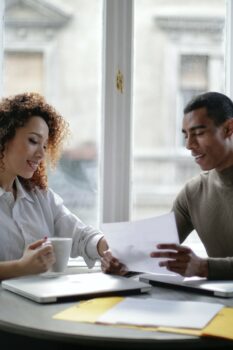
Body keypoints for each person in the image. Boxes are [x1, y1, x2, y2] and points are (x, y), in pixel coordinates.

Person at [102, 91, 233, 280]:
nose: (189, 145)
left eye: (198, 133)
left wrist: (203, 267)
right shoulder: (193, 193)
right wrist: (123, 263)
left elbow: (201, 267)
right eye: (186, 135)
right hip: (221, 304)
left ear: (229, 129)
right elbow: (159, 253)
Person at [0, 92, 108, 280]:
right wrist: (20, 267)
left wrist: (107, 247)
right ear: (4, 136)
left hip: (36, 305)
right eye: (33, 141)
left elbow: (80, 236)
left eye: (44, 146)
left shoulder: (40, 196)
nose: (41, 155)